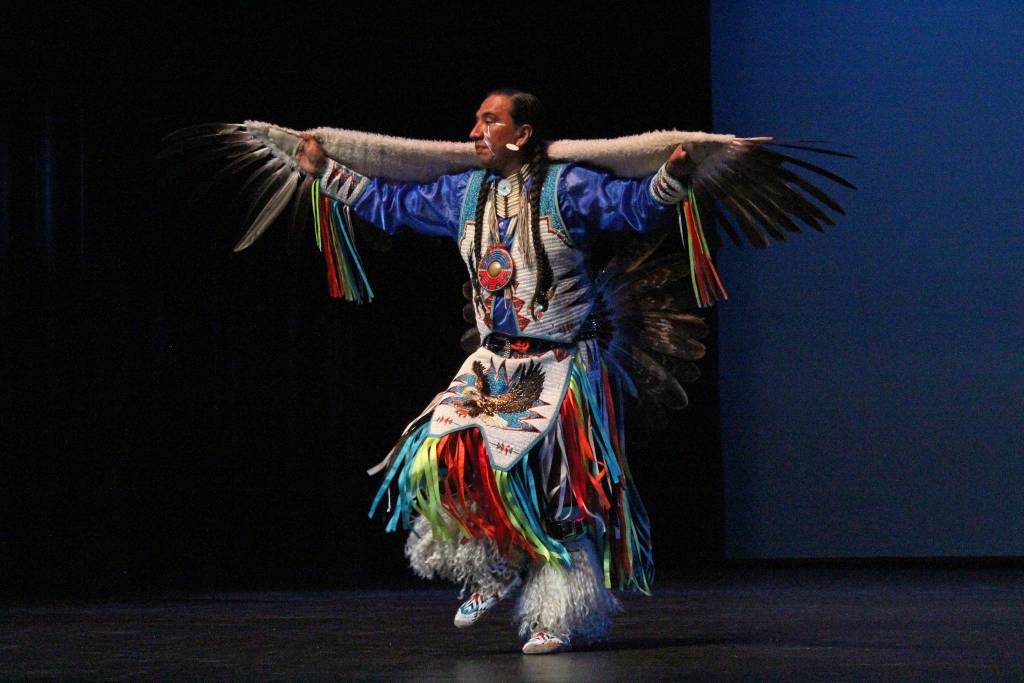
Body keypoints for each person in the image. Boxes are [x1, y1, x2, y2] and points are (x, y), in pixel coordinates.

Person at [294, 89, 693, 654]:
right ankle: (491, 568)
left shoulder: (567, 187)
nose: (476, 130)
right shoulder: (463, 193)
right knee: (442, 455)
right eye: (477, 120)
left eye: (490, 120)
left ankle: (557, 615)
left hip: (560, 362)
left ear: (522, 133)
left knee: (559, 493)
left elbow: (632, 206)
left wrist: (673, 175)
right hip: (493, 360)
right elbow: (392, 205)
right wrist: (325, 172)